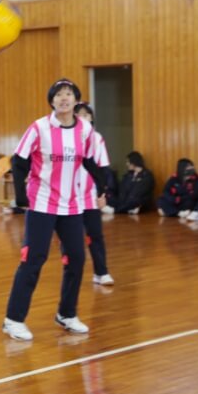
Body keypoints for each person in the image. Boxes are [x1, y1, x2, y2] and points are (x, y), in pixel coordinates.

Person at [3, 79, 105, 342]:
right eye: (59, 95)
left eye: (69, 94)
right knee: (33, 259)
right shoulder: (39, 128)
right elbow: (19, 161)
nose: (64, 99)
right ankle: (13, 320)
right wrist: (21, 196)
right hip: (42, 203)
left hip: (72, 205)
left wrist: (103, 189)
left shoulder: (85, 130)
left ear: (76, 100)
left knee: (77, 259)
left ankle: (67, 313)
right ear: (52, 101)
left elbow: (92, 161)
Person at [74, 103, 114, 286]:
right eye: (79, 114)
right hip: (68, 198)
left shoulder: (97, 138)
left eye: (87, 114)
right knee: (71, 238)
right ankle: (72, 272)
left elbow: (103, 168)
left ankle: (101, 272)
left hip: (89, 196)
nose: (84, 117)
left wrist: (102, 192)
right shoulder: (63, 136)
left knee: (95, 234)